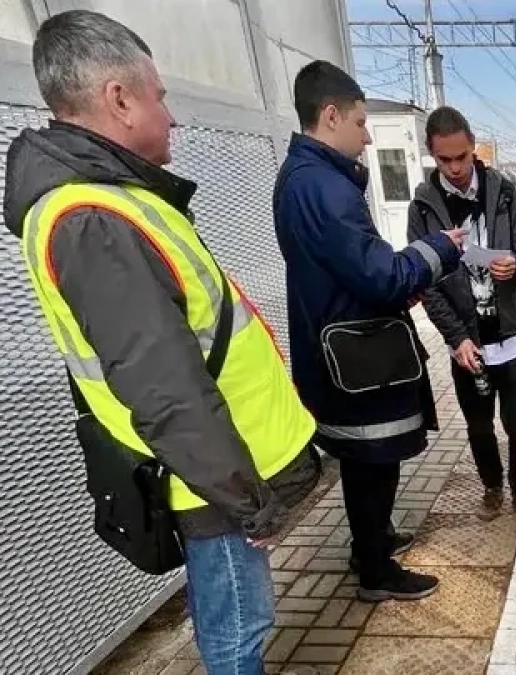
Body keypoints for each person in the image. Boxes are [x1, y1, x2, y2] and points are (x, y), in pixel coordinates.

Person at [3, 10, 322, 674]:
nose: (172, 116)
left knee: (233, 622)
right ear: (119, 99)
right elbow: (166, 389)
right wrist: (249, 503)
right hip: (212, 485)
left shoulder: (110, 200)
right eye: (160, 95)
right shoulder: (92, 218)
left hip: (214, 475)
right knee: (238, 632)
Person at [273, 62, 466, 603]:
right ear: (330, 115)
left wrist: (396, 281)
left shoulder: (304, 178)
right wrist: (439, 249)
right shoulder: (324, 188)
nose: (366, 137)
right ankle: (377, 570)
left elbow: (355, 270)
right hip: (356, 359)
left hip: (343, 346)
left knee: (367, 462)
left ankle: (372, 542)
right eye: (360, 123)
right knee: (372, 461)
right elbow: (379, 274)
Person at [407, 106, 516, 531]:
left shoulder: (505, 193)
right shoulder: (423, 208)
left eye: (462, 157)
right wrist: (456, 337)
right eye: (444, 159)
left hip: (512, 337)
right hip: (467, 343)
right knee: (480, 426)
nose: (454, 168)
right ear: (431, 155)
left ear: (474, 148)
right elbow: (426, 282)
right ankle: (492, 488)